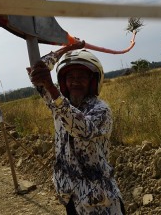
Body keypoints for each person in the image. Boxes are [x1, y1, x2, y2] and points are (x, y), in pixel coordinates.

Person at [29, 49, 125, 215]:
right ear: (64, 82)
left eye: (81, 77)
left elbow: (81, 128)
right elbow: (36, 71)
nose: (75, 82)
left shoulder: (100, 110)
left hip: (100, 203)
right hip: (71, 198)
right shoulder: (57, 105)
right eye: (70, 77)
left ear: (93, 81)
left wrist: (51, 87)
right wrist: (65, 49)